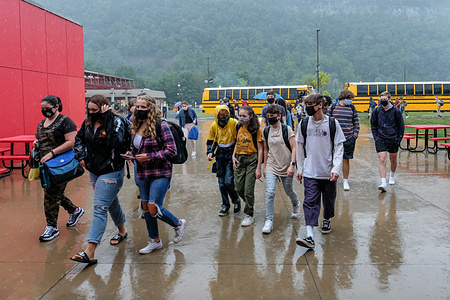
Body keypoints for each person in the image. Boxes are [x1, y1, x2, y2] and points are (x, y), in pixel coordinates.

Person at [70, 94, 129, 265]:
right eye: (89, 110)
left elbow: (115, 143)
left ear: (104, 107)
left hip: (112, 171)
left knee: (100, 207)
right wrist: (81, 156)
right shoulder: (88, 122)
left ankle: (90, 251)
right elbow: (79, 139)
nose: (91, 113)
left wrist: (108, 118)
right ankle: (122, 230)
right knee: (110, 202)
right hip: (94, 170)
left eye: (95, 110)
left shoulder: (116, 122)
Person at [124, 94, 186, 254]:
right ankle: (155, 241)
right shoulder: (135, 124)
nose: (139, 110)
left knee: (153, 207)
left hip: (160, 172)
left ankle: (178, 223)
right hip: (143, 173)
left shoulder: (161, 125)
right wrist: (130, 153)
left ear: (151, 108)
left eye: (143, 107)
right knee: (145, 207)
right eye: (137, 107)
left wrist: (149, 157)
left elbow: (171, 150)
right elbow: (137, 147)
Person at [295, 94, 345, 249]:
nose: (308, 106)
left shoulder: (332, 123)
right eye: (306, 103)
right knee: (310, 202)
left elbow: (339, 147)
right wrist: (300, 168)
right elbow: (299, 147)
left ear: (320, 105)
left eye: (311, 103)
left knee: (329, 200)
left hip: (328, 171)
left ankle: (327, 218)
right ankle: (309, 236)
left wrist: (336, 168)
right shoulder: (303, 124)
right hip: (311, 171)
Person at [36, 95, 84, 242]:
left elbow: (71, 142)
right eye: (42, 109)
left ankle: (52, 227)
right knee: (52, 191)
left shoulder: (65, 121)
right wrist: (36, 143)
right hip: (45, 164)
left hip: (60, 163)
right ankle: (74, 210)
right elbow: (40, 138)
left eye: (47, 108)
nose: (45, 111)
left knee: (50, 194)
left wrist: (52, 153)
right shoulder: (42, 123)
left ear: (56, 106)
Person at [261, 105, 300, 234]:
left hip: (286, 164)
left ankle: (296, 204)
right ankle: (269, 220)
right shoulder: (266, 131)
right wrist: (265, 166)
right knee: (270, 192)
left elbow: (294, 148)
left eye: (273, 116)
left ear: (279, 116)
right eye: (268, 116)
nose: (270, 118)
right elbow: (266, 149)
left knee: (288, 190)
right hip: (272, 164)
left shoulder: (286, 129)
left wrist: (292, 164)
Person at [206, 105, 241, 216]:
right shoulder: (214, 126)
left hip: (231, 154)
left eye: (225, 115)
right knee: (221, 183)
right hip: (220, 154)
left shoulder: (234, 123)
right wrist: (210, 152)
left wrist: (237, 154)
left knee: (228, 181)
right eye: (220, 115)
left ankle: (236, 200)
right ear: (217, 116)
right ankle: (225, 205)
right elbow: (211, 141)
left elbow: (239, 138)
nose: (223, 117)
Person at [232, 106, 263, 227]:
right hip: (239, 159)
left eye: (244, 116)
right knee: (239, 188)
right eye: (240, 115)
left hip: (252, 159)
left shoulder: (256, 129)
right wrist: (233, 156)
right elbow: (237, 142)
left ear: (250, 116)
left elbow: (260, 149)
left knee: (248, 190)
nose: (241, 118)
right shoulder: (238, 126)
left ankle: (249, 214)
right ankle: (249, 203)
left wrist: (258, 167)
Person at [370, 91, 404, 192]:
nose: (382, 102)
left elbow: (401, 126)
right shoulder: (377, 111)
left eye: (384, 100)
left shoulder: (396, 111)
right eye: (381, 100)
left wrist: (398, 139)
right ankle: (383, 182)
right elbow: (373, 125)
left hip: (393, 138)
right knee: (382, 159)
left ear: (389, 99)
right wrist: (376, 137)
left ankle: (392, 176)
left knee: (393, 158)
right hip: (380, 138)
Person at [327, 89, 359, 191]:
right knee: (332, 159)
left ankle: (345, 180)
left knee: (346, 160)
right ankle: (332, 178)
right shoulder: (333, 107)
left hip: (348, 138)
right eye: (350, 99)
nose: (351, 101)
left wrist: (355, 135)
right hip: (334, 139)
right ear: (345, 97)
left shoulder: (352, 108)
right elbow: (327, 121)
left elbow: (356, 122)